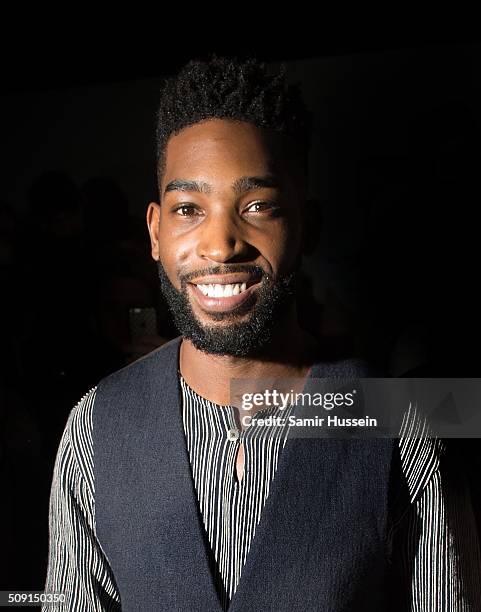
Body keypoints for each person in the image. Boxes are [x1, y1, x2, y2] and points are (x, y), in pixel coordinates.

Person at [42, 56, 481, 611]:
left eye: (258, 206)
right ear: (156, 231)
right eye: (188, 208)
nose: (220, 243)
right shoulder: (95, 427)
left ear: (308, 225)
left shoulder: (401, 426)